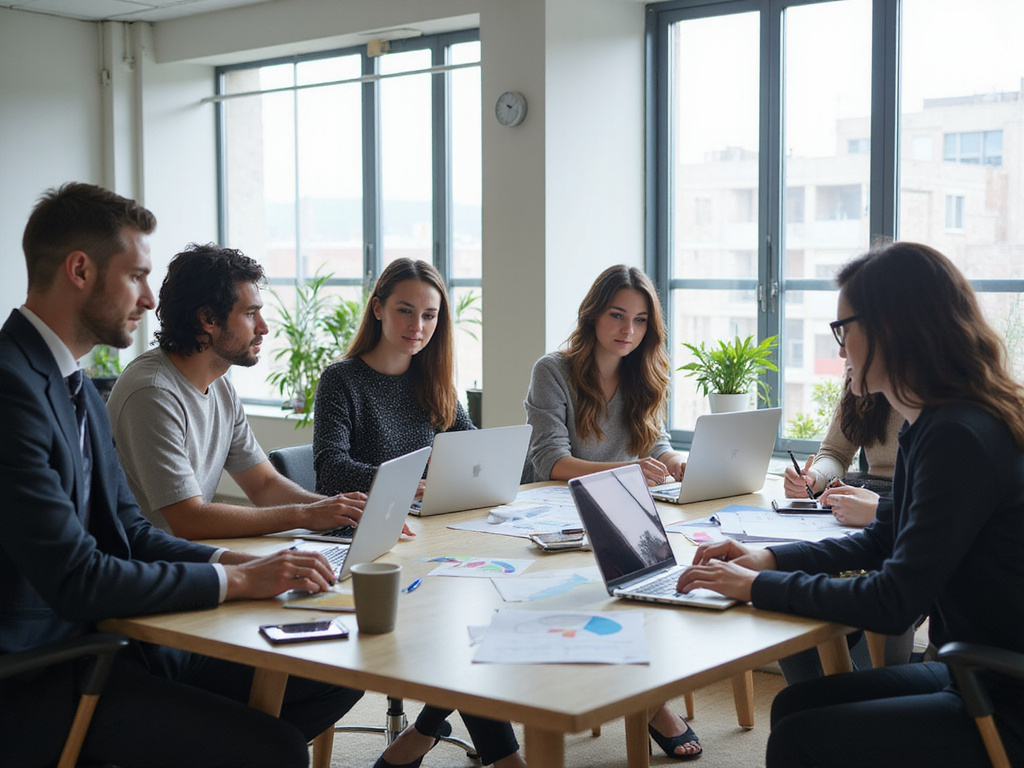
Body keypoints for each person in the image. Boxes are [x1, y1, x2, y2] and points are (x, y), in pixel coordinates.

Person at [0, 182, 362, 768]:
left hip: (117, 639)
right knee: (275, 750)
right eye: (136, 276)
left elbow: (131, 533)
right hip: (46, 673)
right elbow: (77, 578)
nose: (148, 300)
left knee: (334, 668)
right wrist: (239, 584)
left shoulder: (75, 386)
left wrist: (246, 565)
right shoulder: (11, 388)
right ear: (80, 270)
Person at [676, 241, 1024, 768]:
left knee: (805, 738)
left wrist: (758, 586)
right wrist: (770, 559)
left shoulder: (958, 435)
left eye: (843, 330)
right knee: (794, 706)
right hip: (976, 672)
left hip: (1003, 697)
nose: (839, 350)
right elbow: (886, 539)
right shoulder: (932, 423)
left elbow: (895, 601)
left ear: (891, 327)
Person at [313, 258, 525, 768]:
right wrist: (410, 480)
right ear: (378, 309)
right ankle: (504, 758)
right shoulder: (342, 380)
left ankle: (425, 729)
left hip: (435, 532)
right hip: (371, 539)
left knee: (497, 600)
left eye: (430, 316)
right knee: (466, 620)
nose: (417, 327)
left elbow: (468, 446)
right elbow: (330, 470)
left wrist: (469, 465)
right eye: (406, 311)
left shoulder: (435, 379)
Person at [523, 264, 700, 761]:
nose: (628, 330)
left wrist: (674, 463)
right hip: (559, 512)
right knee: (618, 587)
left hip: (625, 509)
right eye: (617, 315)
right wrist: (628, 469)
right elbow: (550, 461)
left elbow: (656, 443)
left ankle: (643, 692)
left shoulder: (645, 371)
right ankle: (650, 704)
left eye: (641, 320)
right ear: (593, 314)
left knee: (664, 574)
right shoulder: (552, 370)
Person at [106, 243, 366, 540]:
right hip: (149, 568)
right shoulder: (151, 393)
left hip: (189, 557)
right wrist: (305, 515)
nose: (264, 327)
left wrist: (341, 511)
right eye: (251, 314)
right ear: (208, 320)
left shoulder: (219, 384)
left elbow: (264, 485)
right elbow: (188, 519)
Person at [779, 384, 913, 682]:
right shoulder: (861, 376)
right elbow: (836, 451)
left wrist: (881, 510)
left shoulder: (951, 412)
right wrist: (816, 478)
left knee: (880, 575)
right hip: (867, 492)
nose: (843, 355)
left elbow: (942, 508)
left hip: (900, 505)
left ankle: (881, 688)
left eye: (847, 335)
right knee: (794, 578)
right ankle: (831, 701)